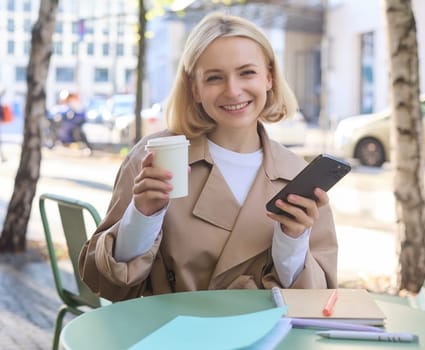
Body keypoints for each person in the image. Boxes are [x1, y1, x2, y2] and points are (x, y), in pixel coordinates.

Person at [78, 12, 338, 302]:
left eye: (247, 72)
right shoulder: (155, 157)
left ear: (269, 77)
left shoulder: (297, 176)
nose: (233, 90)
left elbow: (318, 302)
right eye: (214, 77)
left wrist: (292, 241)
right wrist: (141, 216)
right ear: (195, 89)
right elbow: (104, 283)